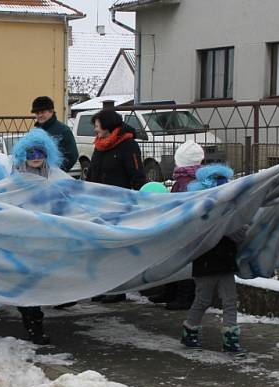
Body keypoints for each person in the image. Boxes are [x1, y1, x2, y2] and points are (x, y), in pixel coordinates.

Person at [5, 129, 70, 344]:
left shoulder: (55, 176)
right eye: (31, 153)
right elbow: (4, 204)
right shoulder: (15, 179)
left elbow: (73, 198)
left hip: (48, 241)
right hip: (22, 242)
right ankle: (34, 325)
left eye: (40, 153)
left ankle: (35, 320)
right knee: (27, 284)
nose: (35, 158)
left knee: (40, 283)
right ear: (24, 154)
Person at [180, 164, 246, 355]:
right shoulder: (207, 213)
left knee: (228, 300)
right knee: (204, 299)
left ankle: (229, 339)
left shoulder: (209, 210)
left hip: (221, 262)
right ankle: (190, 331)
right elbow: (237, 234)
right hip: (209, 262)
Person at [86, 109, 146, 304]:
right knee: (100, 248)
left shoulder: (128, 145)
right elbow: (92, 173)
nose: (95, 129)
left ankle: (117, 290)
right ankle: (103, 287)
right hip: (98, 205)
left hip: (119, 206)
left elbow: (137, 175)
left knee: (116, 250)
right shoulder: (99, 146)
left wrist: (141, 201)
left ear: (107, 125)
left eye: (97, 125)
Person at [149, 140, 205, 308]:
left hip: (186, 228)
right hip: (181, 226)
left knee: (183, 262)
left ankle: (184, 295)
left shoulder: (188, 181)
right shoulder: (185, 179)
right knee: (173, 259)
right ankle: (171, 290)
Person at [30, 96, 78, 173]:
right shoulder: (35, 132)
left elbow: (72, 156)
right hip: (37, 177)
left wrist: (56, 172)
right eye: (37, 113)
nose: (39, 115)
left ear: (51, 111)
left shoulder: (63, 130)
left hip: (55, 178)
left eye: (42, 112)